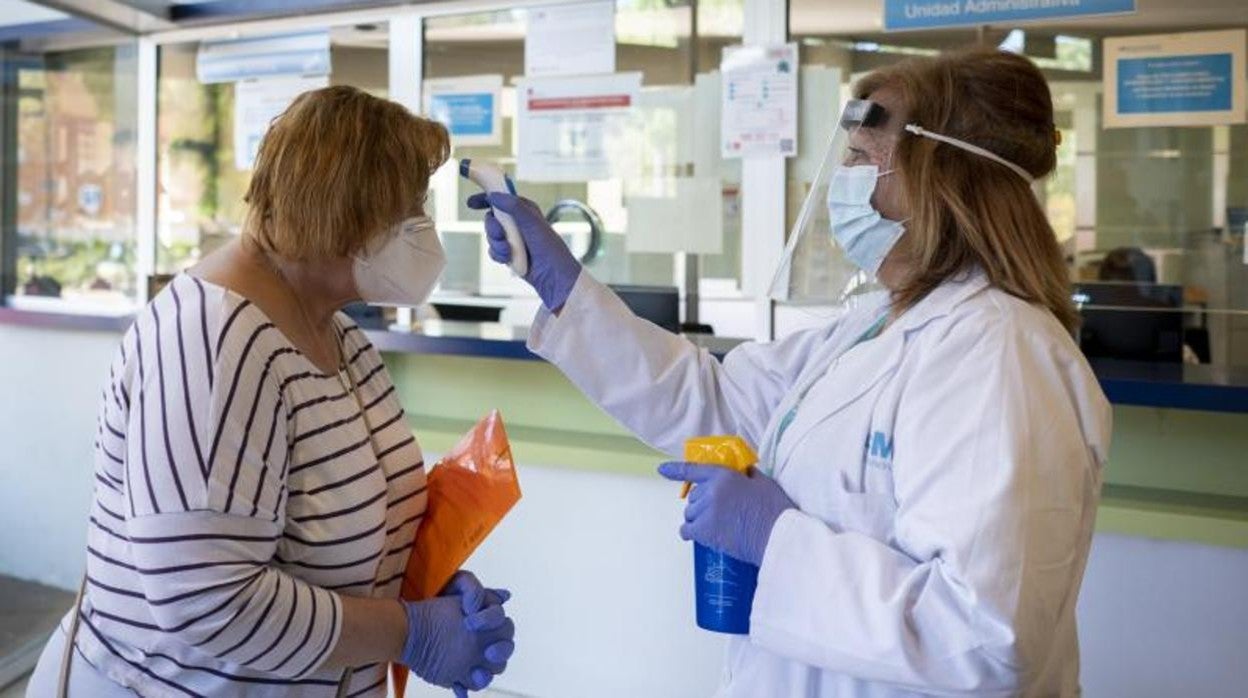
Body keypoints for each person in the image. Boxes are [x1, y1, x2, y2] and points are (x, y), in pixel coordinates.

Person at [470, 49, 1110, 696]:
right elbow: (715, 399)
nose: (841, 181)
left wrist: (774, 537)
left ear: (941, 177)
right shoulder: (871, 327)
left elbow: (986, 640)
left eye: (863, 158)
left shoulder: (999, 356)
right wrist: (561, 285)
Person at [27, 86, 515, 697]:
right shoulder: (209, 338)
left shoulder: (338, 335)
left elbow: (347, 521)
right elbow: (206, 598)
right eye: (408, 208)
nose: (423, 229)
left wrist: (422, 583)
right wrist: (406, 631)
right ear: (342, 213)